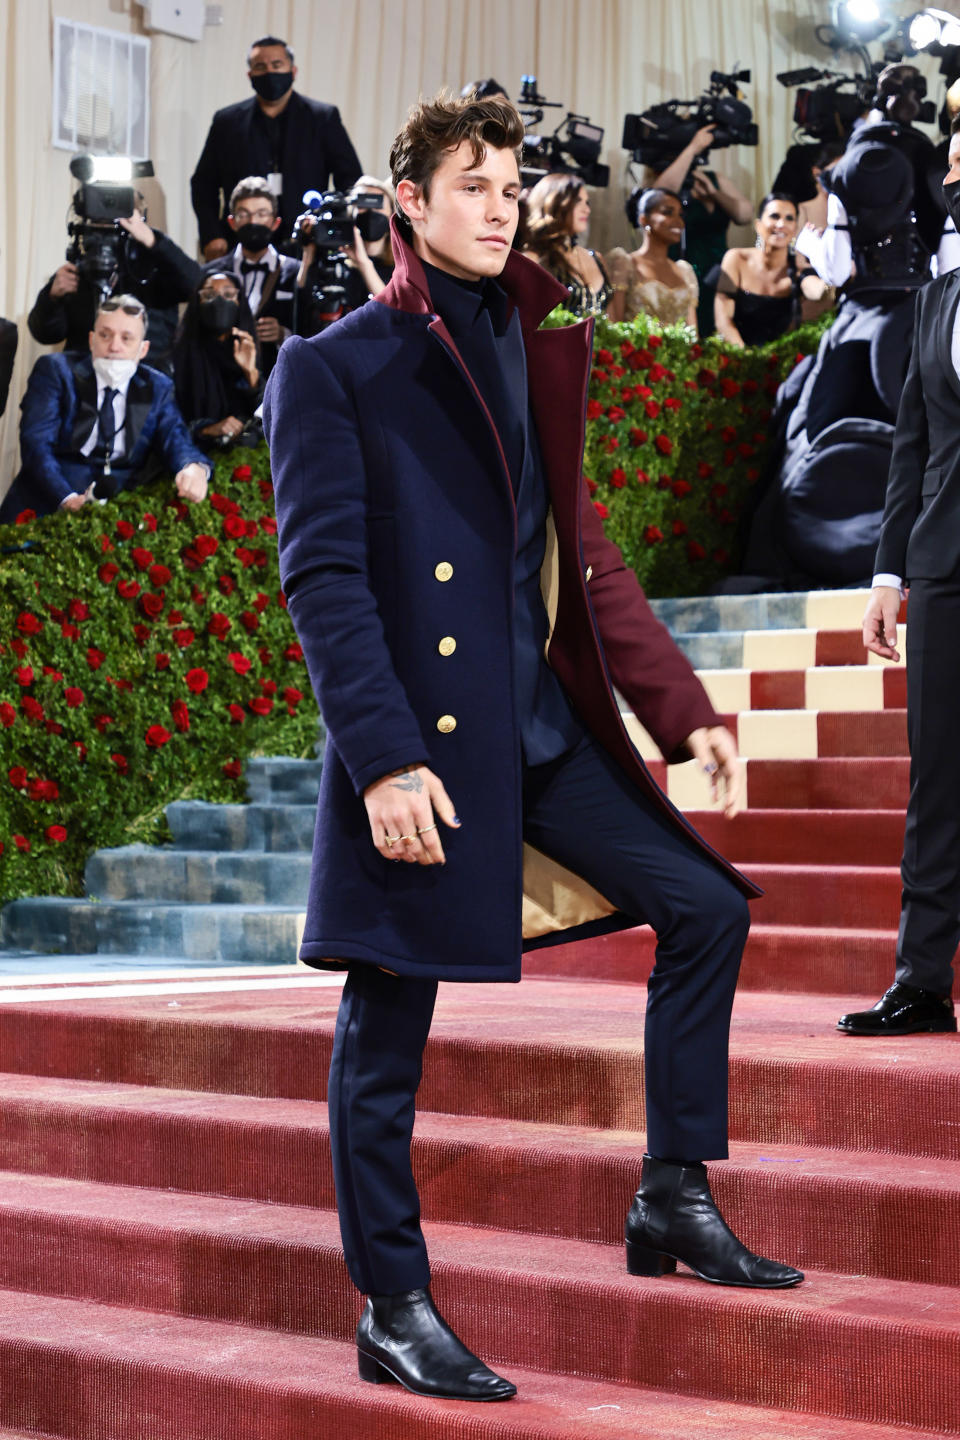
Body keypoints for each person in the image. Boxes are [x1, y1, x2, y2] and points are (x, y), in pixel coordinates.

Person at [264, 90, 802, 1406]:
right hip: (426, 755)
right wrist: (384, 760)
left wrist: (687, 712)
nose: (500, 205)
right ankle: (394, 1306)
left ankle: (670, 1194)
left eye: (511, 184)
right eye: (472, 185)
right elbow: (324, 581)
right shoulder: (333, 367)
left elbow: (587, 556)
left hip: (541, 733)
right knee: (386, 1026)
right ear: (410, 204)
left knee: (704, 908)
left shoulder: (533, 338)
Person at [838, 115, 960, 1038]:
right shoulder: (935, 298)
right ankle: (921, 980)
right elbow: (911, 451)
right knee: (938, 778)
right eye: (949, 163)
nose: (951, 175)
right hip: (945, 567)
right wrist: (888, 571)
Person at [0, 296, 208, 524]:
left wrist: (193, 467)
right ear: (91, 340)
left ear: (143, 349)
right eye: (105, 335)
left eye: (127, 338)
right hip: (48, 500)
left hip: (120, 508)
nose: (114, 347)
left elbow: (175, 438)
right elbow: (36, 444)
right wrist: (67, 499)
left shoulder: (157, 386)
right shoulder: (56, 371)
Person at [191, 34, 362, 260]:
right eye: (260, 66)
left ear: (293, 71)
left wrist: (334, 228)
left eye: (277, 65)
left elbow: (350, 179)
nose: (269, 72)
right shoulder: (227, 121)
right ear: (250, 75)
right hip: (241, 242)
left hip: (307, 243)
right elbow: (203, 183)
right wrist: (211, 234)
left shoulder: (323, 117)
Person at [28, 193, 201, 374]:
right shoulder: (79, 270)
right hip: (85, 377)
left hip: (146, 378)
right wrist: (52, 298)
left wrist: (153, 240)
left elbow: (196, 285)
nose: (108, 218)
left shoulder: (156, 267)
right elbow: (45, 334)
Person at [652, 125, 753, 336]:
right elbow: (658, 196)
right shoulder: (668, 179)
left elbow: (745, 215)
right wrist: (692, 149)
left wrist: (715, 193)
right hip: (676, 271)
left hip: (716, 274)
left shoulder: (712, 178)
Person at [201, 176, 299, 378]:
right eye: (244, 214)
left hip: (279, 377)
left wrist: (282, 334)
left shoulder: (297, 272)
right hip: (222, 378)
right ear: (232, 222)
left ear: (275, 222)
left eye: (261, 214)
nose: (253, 222)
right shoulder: (211, 273)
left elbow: (311, 330)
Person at [712, 193, 826, 347]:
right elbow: (723, 320)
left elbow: (820, 292)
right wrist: (747, 359)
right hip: (737, 357)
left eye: (789, 218)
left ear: (795, 229)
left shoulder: (798, 271)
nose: (781, 224)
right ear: (758, 225)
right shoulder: (736, 259)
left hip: (782, 361)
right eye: (774, 216)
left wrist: (822, 259)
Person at [294, 174, 395, 334]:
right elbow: (300, 311)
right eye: (362, 204)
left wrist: (363, 264)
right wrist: (308, 256)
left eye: (377, 204)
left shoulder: (402, 268)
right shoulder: (334, 262)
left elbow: (394, 315)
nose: (370, 212)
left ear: (391, 213)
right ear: (350, 212)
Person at [173, 273, 262, 449]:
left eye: (228, 295)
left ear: (240, 303)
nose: (219, 302)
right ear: (197, 303)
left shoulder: (248, 353)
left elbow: (270, 418)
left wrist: (251, 373)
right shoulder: (174, 361)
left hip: (245, 465)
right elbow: (165, 429)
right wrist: (205, 430)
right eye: (209, 296)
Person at [605, 187, 698, 329]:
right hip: (636, 350)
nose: (678, 221)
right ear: (644, 219)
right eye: (668, 212)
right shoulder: (624, 263)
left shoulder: (685, 271)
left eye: (680, 215)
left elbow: (692, 333)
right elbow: (615, 326)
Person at [521, 172, 612, 316]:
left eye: (587, 203)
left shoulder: (596, 258)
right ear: (553, 202)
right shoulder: (532, 260)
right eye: (577, 201)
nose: (586, 210)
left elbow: (612, 322)